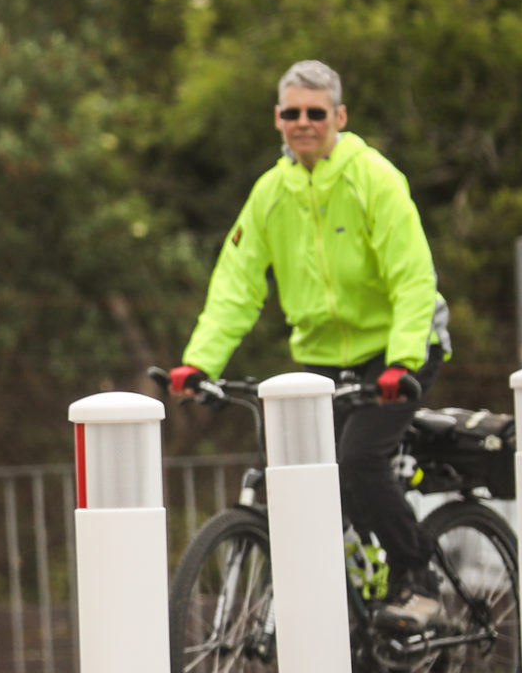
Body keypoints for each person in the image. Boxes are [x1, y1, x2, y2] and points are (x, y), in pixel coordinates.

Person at [168, 59, 452, 630]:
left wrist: (400, 361)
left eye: (315, 113)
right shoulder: (270, 194)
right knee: (304, 476)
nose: (303, 122)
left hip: (399, 350)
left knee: (360, 462)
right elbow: (236, 285)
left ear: (339, 117)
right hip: (322, 361)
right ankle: (349, 606)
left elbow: (412, 276)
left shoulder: (374, 177)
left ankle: (418, 576)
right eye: (291, 113)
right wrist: (199, 362)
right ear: (277, 119)